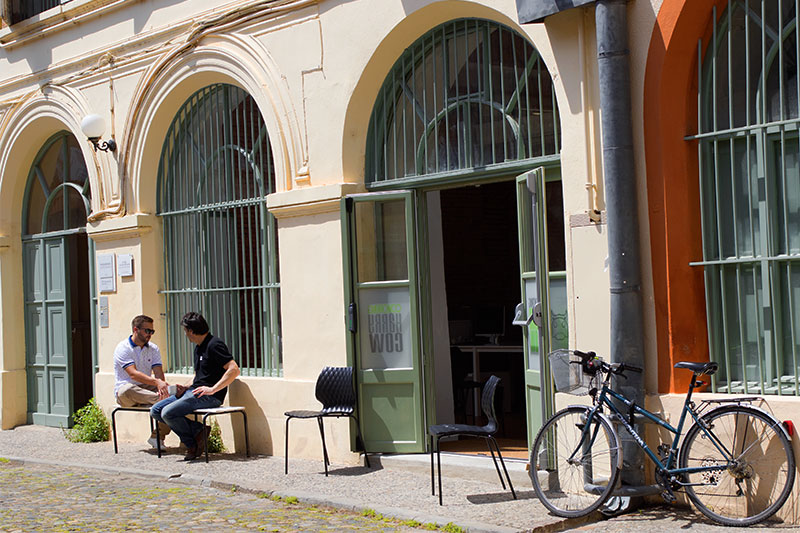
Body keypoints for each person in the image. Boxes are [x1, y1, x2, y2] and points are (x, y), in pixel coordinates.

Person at [150, 312, 240, 461]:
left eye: (185, 331)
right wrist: (184, 387)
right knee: (156, 410)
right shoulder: (199, 347)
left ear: (191, 331)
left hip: (209, 397)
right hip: (193, 392)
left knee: (167, 413)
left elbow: (234, 369)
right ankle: (199, 430)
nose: (185, 335)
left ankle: (192, 444)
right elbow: (198, 375)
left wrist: (212, 389)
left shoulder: (214, 345)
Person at [113, 314, 171, 448]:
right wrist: (157, 384)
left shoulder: (153, 348)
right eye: (147, 331)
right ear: (135, 329)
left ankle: (158, 437)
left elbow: (158, 373)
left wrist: (162, 387)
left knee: (171, 397)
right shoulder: (123, 348)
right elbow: (133, 374)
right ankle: (161, 400)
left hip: (145, 389)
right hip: (126, 393)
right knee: (128, 389)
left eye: (152, 331)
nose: (150, 334)